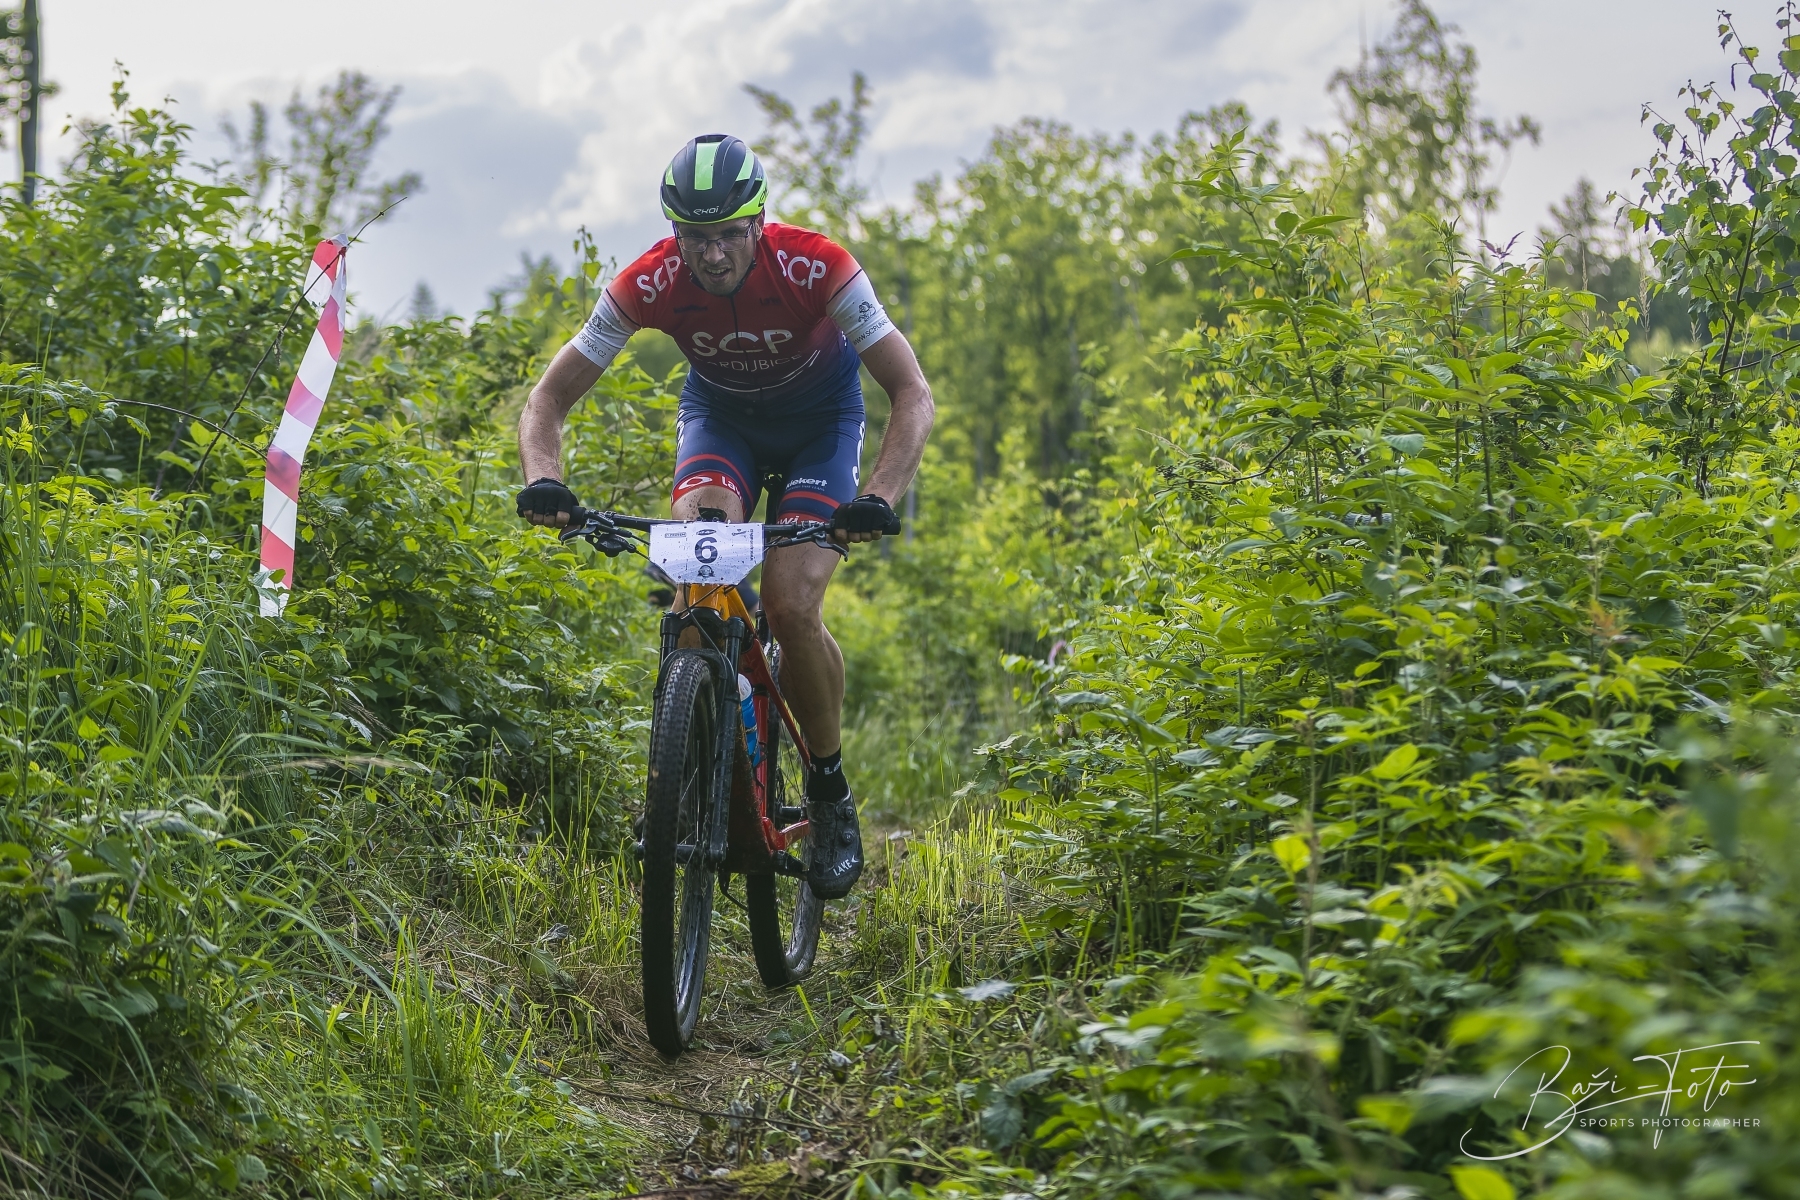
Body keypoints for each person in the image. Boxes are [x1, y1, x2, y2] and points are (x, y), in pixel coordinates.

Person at [515, 133, 935, 901]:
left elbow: (912, 392)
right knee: (698, 585)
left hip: (820, 427)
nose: (711, 255)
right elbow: (548, 398)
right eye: (694, 237)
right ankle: (688, 766)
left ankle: (830, 791)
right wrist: (545, 481)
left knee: (791, 603)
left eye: (729, 235)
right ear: (675, 234)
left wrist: (877, 497)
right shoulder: (650, 279)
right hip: (722, 424)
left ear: (759, 223)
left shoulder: (817, 265)